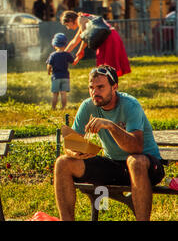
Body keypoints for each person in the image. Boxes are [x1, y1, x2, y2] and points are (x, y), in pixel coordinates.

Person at [54, 65, 165, 221]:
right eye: (91, 87)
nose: (95, 92)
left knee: (134, 161)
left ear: (114, 87)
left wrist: (110, 126)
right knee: (62, 163)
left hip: (146, 167)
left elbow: (136, 148)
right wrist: (76, 152)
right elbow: (70, 144)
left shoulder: (130, 105)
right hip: (114, 167)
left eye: (100, 87)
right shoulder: (88, 105)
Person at [61, 10, 131, 77]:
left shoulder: (80, 19)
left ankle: (109, 87)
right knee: (106, 68)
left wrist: (80, 50)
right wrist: (61, 55)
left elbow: (85, 37)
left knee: (106, 68)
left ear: (70, 19)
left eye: (67, 25)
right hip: (110, 36)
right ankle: (108, 86)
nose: (68, 28)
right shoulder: (84, 18)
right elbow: (75, 41)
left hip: (108, 38)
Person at [46, 33, 74, 110]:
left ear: (54, 45)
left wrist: (49, 72)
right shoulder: (66, 54)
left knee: (55, 94)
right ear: (65, 45)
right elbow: (72, 61)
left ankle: (53, 107)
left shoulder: (53, 55)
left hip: (56, 77)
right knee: (63, 93)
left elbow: (49, 65)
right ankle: (63, 107)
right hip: (65, 77)